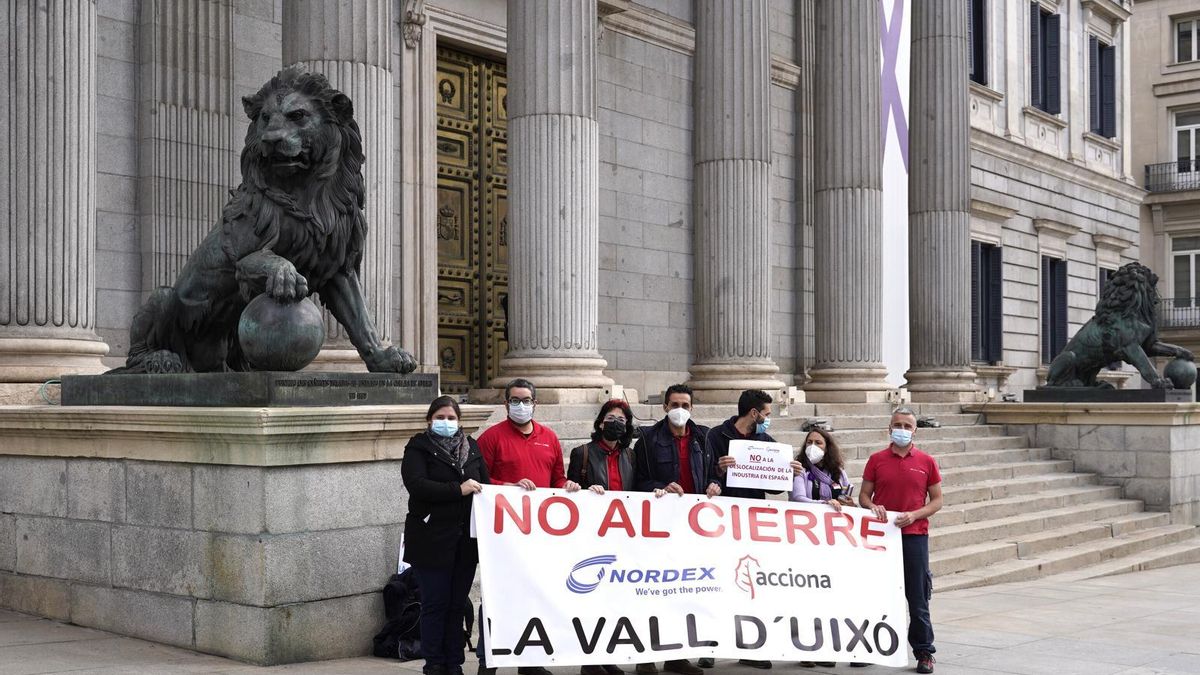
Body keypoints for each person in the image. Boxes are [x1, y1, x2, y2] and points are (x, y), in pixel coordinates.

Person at [476, 379, 581, 675]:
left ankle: (530, 661)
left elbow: (557, 478)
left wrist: (568, 485)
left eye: (525, 400)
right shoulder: (491, 438)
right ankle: (489, 661)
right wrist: (506, 487)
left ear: (535, 403)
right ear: (505, 404)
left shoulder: (549, 437)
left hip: (539, 536)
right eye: (514, 400)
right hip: (504, 536)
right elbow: (480, 481)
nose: (520, 405)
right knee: (497, 598)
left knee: (536, 596)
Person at [401, 396, 489, 675]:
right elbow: (417, 485)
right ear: (429, 420)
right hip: (431, 542)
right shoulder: (418, 447)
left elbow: (484, 485)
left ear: (459, 421)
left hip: (464, 543)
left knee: (456, 605)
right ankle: (434, 663)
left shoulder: (471, 447)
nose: (446, 422)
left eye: (451, 418)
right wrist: (457, 490)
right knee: (435, 604)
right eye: (440, 417)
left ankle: (454, 662)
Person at [631, 384, 715, 675]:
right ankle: (645, 657)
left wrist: (716, 483)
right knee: (652, 592)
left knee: (684, 592)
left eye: (686, 404)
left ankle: (677, 655)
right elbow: (637, 481)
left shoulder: (704, 437)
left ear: (692, 408)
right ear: (665, 407)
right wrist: (658, 488)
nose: (681, 409)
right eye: (675, 404)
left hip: (693, 529)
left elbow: (713, 473)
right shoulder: (646, 439)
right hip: (658, 528)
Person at [859, 407, 943, 675]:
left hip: (914, 536)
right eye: (898, 425)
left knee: (917, 597)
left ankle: (924, 652)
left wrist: (915, 515)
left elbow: (938, 500)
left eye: (907, 426)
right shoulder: (876, 460)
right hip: (881, 537)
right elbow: (863, 496)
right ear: (889, 428)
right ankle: (867, 648)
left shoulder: (927, 461)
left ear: (915, 430)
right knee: (875, 593)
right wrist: (872, 507)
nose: (902, 430)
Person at [704, 389, 779, 670]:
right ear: (754, 413)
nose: (768, 420)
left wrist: (788, 471)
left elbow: (773, 485)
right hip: (720, 519)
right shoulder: (716, 436)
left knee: (749, 584)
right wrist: (719, 471)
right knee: (716, 582)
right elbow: (704, 473)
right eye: (767, 414)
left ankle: (751, 648)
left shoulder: (765, 440)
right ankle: (709, 646)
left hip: (751, 521)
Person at [566, 400, 636, 675]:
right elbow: (570, 492)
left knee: (615, 600)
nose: (616, 422)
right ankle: (590, 659)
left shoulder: (631, 456)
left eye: (622, 418)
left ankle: (609, 655)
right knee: (592, 600)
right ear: (600, 423)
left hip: (623, 538)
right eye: (611, 417)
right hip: (593, 538)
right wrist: (584, 490)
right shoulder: (582, 453)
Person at [789, 427, 856, 669]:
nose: (813, 446)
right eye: (810, 442)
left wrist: (847, 503)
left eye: (819, 442)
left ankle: (826, 646)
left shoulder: (838, 472)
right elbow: (798, 499)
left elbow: (848, 497)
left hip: (831, 541)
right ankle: (805, 647)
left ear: (827, 447)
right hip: (805, 540)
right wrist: (825, 504)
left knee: (829, 597)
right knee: (807, 597)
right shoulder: (800, 469)